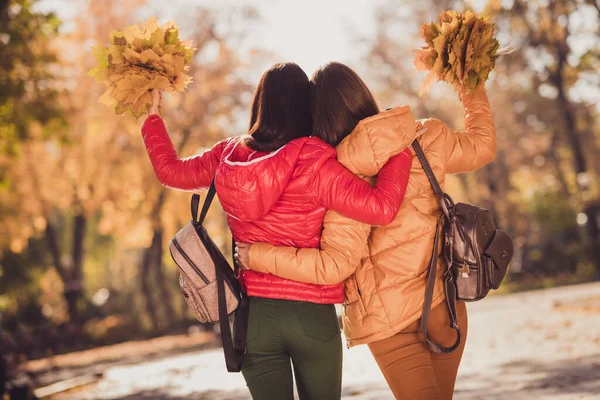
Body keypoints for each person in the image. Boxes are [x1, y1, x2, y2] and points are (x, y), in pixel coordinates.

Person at [140, 62, 414, 400]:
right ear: (306, 106)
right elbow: (382, 208)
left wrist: (152, 119)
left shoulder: (226, 156)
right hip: (311, 315)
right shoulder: (318, 161)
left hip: (253, 318)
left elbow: (170, 172)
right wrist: (401, 147)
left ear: (260, 102)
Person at [236, 62, 496, 400]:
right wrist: (470, 86)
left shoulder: (335, 177)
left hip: (390, 325)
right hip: (442, 302)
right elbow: (482, 146)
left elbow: (334, 265)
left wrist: (255, 254)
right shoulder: (423, 137)